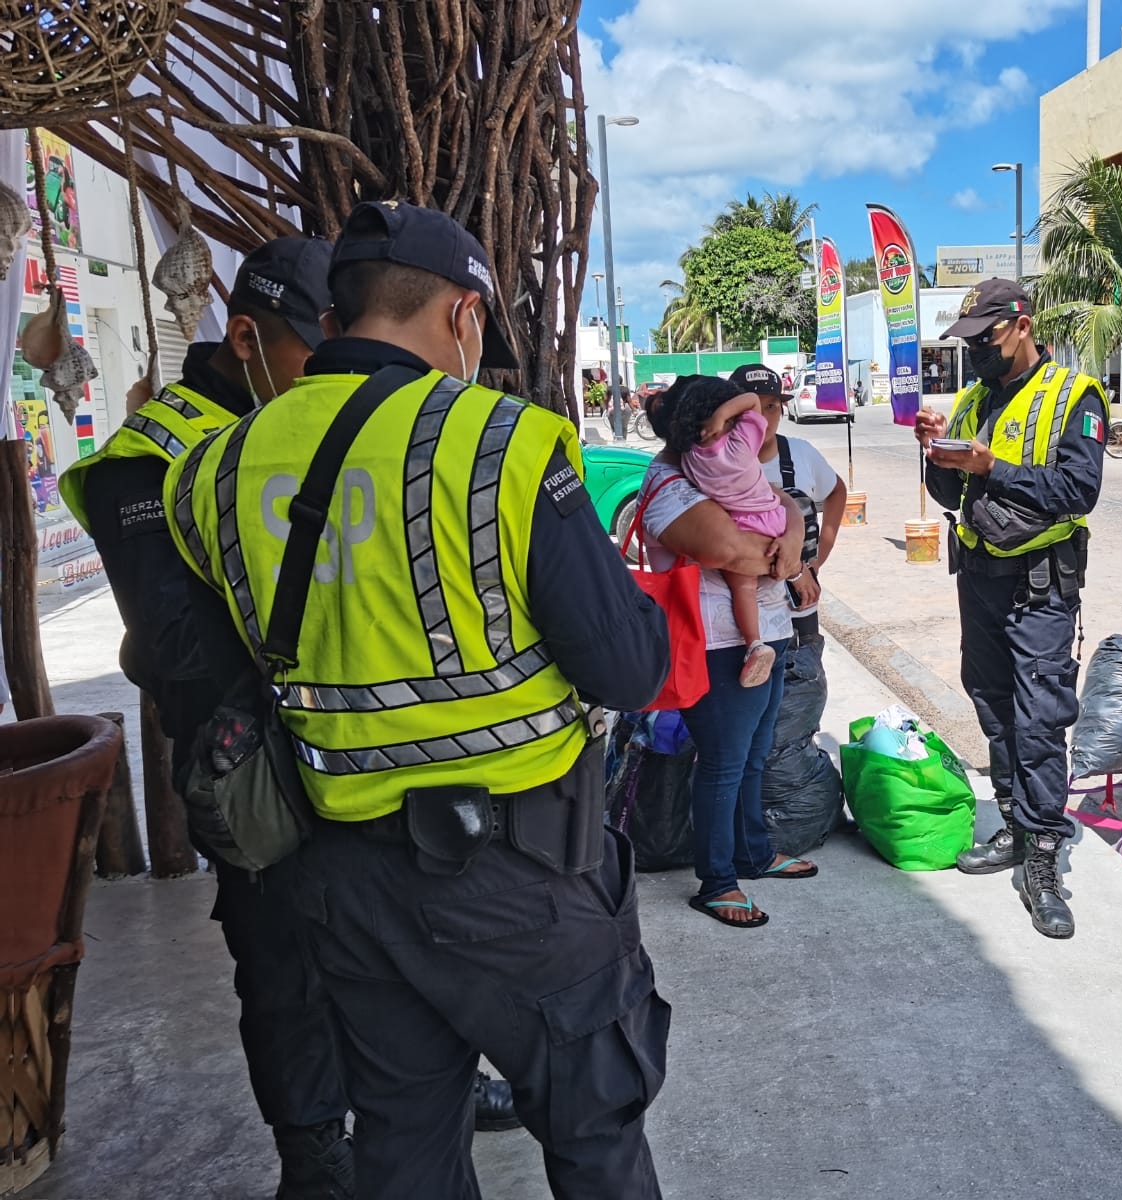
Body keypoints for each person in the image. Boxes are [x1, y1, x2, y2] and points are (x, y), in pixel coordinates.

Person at [164, 201, 673, 1199]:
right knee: (594, 1130)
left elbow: (206, 663)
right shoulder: (501, 443)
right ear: (463, 317)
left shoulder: (215, 471)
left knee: (404, 1149)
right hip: (522, 884)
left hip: (342, 880)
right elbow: (625, 669)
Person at [58, 238, 366, 1198]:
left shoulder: (323, 431)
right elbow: (175, 652)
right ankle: (313, 1151)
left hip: (358, 743)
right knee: (282, 965)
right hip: (255, 758)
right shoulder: (143, 465)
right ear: (247, 338)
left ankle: (409, 1086)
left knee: (392, 930)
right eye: (321, 358)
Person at [914, 278, 1108, 941]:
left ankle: (1045, 858)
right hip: (979, 577)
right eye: (966, 343)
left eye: (984, 340)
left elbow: (1079, 490)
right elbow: (950, 488)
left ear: (1020, 325)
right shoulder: (970, 399)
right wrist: (935, 451)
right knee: (992, 704)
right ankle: (1017, 830)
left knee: (1038, 716)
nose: (975, 355)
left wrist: (991, 466)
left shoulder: (1070, 396)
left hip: (1040, 584)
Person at [640, 376, 814, 928]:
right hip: (716, 643)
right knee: (722, 764)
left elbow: (782, 502)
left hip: (766, 630)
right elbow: (731, 551)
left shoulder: (714, 468)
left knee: (754, 754)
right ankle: (716, 880)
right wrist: (789, 549)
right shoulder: (670, 484)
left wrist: (791, 537)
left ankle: (753, 852)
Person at [659, 380, 786, 686]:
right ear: (727, 418)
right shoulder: (741, 445)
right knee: (783, 562)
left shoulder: (691, 461)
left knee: (743, 588)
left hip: (742, 525)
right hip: (773, 516)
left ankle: (754, 642)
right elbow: (752, 401)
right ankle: (791, 576)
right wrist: (726, 414)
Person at [728, 363, 845, 642]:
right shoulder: (720, 464)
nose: (763, 419)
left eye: (771, 407)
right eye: (751, 410)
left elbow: (836, 491)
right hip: (742, 618)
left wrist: (818, 558)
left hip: (798, 608)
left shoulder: (800, 453)